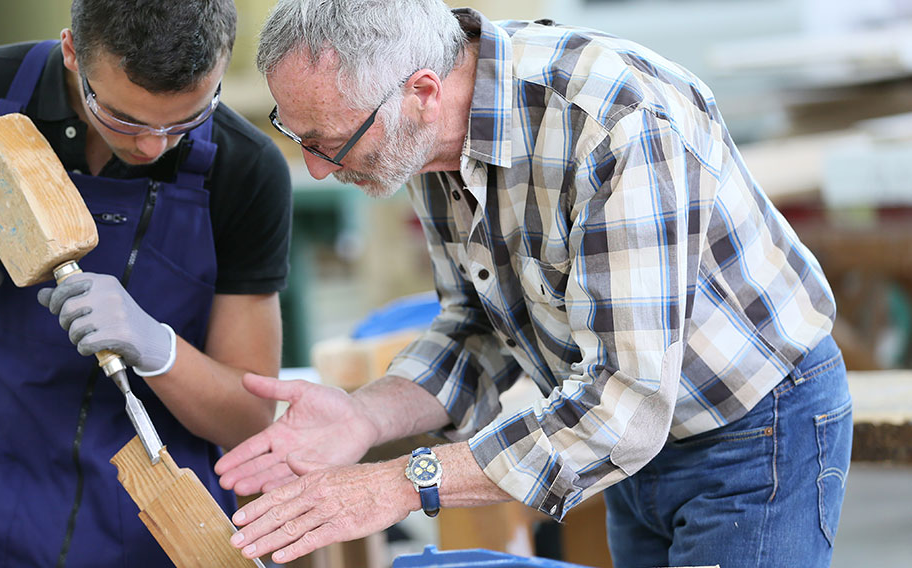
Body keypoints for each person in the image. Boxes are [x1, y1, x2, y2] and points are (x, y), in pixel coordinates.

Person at [214, 1, 852, 567]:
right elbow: (475, 326)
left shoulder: (614, 122)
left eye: (331, 143)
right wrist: (366, 414)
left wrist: (399, 484)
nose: (319, 171)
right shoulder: (424, 135)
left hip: (754, 424)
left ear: (422, 91)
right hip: (629, 444)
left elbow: (622, 407)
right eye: (301, 137)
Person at [0, 0, 292, 565]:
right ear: (72, 52)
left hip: (154, 518)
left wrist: (158, 349)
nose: (153, 145)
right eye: (126, 118)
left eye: (187, 119)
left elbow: (247, 418)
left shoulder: (246, 168)